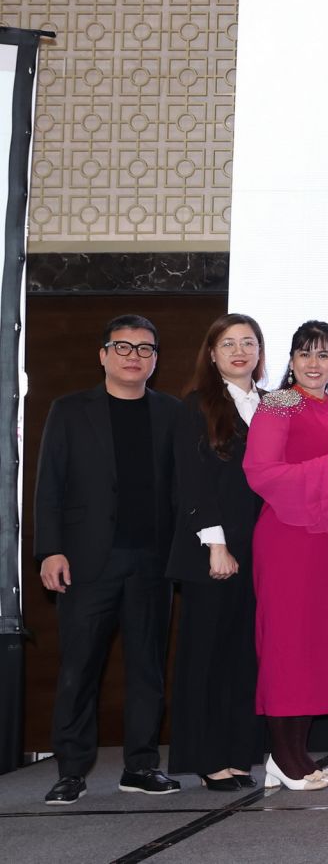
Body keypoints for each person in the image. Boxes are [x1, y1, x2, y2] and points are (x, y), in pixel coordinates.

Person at [35, 315, 183, 805]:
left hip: (152, 562)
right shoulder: (70, 410)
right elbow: (49, 486)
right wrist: (50, 549)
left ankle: (140, 766)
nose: (133, 356)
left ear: (155, 360)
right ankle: (72, 771)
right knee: (80, 668)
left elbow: (182, 491)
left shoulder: (171, 413)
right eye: (122, 347)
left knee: (147, 669)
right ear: (103, 354)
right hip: (85, 560)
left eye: (144, 349)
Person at [244, 319, 328, 791]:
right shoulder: (276, 406)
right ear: (290, 360)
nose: (315, 364)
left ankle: (297, 754)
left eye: (324, 354)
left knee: (316, 647)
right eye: (306, 354)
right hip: (288, 539)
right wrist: (327, 464)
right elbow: (260, 473)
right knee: (286, 646)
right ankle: (282, 756)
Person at [166, 315, 266, 792]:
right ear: (212, 353)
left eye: (249, 343)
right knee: (207, 655)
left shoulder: (271, 406)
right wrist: (217, 544)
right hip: (214, 551)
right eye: (229, 344)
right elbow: (193, 480)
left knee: (245, 656)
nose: (240, 351)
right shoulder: (196, 405)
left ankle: (239, 752)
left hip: (260, 550)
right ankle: (208, 758)